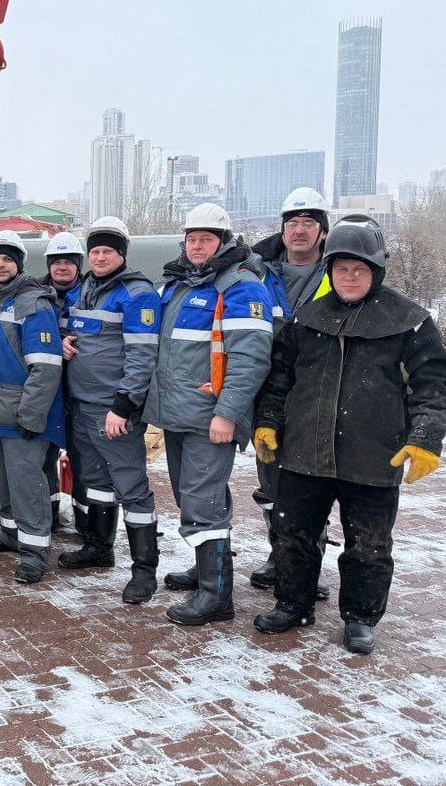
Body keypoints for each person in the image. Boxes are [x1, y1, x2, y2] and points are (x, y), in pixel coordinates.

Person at [252, 217, 446, 654]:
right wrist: (268, 421)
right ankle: (294, 603)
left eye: (359, 270)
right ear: (330, 270)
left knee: (368, 545)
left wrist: (423, 437)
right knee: (293, 536)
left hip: (373, 455)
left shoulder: (408, 322)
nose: (349, 277)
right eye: (341, 268)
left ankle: (361, 617)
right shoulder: (307, 318)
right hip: (304, 453)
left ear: (376, 272)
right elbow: (279, 377)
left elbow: (434, 384)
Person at [144, 203, 275, 626]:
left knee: (202, 501)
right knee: (193, 497)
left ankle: (217, 596)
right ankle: (206, 570)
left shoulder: (240, 288)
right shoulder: (178, 284)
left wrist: (228, 414)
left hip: (210, 418)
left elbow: (251, 360)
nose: (198, 246)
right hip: (180, 414)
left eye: (207, 239)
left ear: (224, 241)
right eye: (192, 239)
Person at [58, 217, 163, 604]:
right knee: (96, 483)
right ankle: (99, 548)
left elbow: (142, 354)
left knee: (131, 488)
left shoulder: (136, 294)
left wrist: (124, 405)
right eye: (95, 251)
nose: (100, 257)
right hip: (81, 405)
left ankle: (144, 571)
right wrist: (63, 339)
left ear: (121, 255)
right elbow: (66, 325)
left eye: (108, 252)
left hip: (114, 411)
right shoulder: (83, 289)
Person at [0, 230, 65, 584]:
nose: (0, 265)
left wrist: (31, 414)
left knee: (27, 485)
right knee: (6, 483)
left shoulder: (32, 305)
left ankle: (35, 552)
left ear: (19, 264)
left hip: (21, 415)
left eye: (7, 259)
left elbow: (47, 366)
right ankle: (12, 535)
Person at [247, 187, 331, 595]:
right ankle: (280, 552)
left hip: (319, 392)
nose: (299, 230)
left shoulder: (339, 273)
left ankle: (306, 560)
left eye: (308, 223)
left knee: (311, 480)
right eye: (292, 223)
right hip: (268, 390)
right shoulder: (258, 271)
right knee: (271, 478)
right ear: (282, 229)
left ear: (322, 231)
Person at [39, 231, 84, 537]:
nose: (62, 268)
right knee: (45, 456)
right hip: (50, 390)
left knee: (83, 458)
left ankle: (87, 523)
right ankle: (50, 513)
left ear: (78, 265)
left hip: (83, 389)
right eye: (57, 262)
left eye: (69, 262)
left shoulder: (90, 294)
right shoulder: (39, 295)